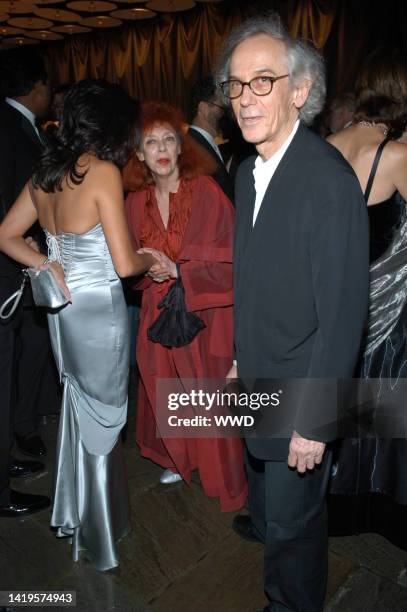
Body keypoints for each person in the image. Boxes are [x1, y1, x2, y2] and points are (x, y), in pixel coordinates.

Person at [216, 13, 369, 611]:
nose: (245, 99)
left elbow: (343, 316)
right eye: (236, 84)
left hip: (301, 391)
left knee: (293, 533)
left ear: (300, 92)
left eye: (262, 82)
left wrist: (315, 420)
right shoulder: (250, 171)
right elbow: (253, 283)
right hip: (259, 375)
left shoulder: (327, 183)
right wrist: (238, 357)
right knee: (272, 516)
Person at [0, 79, 155, 570]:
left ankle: (76, 512)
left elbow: (6, 235)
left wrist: (46, 265)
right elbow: (126, 263)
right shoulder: (103, 171)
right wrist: (156, 259)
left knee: (79, 406)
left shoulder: (46, 172)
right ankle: (100, 534)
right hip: (99, 312)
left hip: (63, 313)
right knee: (106, 416)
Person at [124, 101, 247, 512]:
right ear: (139, 153)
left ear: (182, 147)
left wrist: (180, 270)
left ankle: (217, 470)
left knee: (205, 391)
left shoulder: (207, 192)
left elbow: (235, 258)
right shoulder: (133, 202)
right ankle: (181, 457)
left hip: (205, 313)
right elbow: (126, 264)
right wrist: (148, 272)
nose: (161, 148)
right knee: (168, 387)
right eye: (151, 141)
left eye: (169, 139)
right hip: (157, 312)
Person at [327, 49, 407, 546]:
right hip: (390, 303)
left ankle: (340, 508)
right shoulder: (397, 153)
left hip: (338, 301)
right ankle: (388, 510)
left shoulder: (326, 146)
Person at [0, 49, 55, 518]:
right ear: (35, 87)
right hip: (7, 278)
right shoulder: (11, 134)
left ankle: (7, 459)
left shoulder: (17, 128)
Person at [188, 76, 234, 202]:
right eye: (221, 107)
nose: (224, 113)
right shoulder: (192, 148)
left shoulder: (203, 144)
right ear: (203, 108)